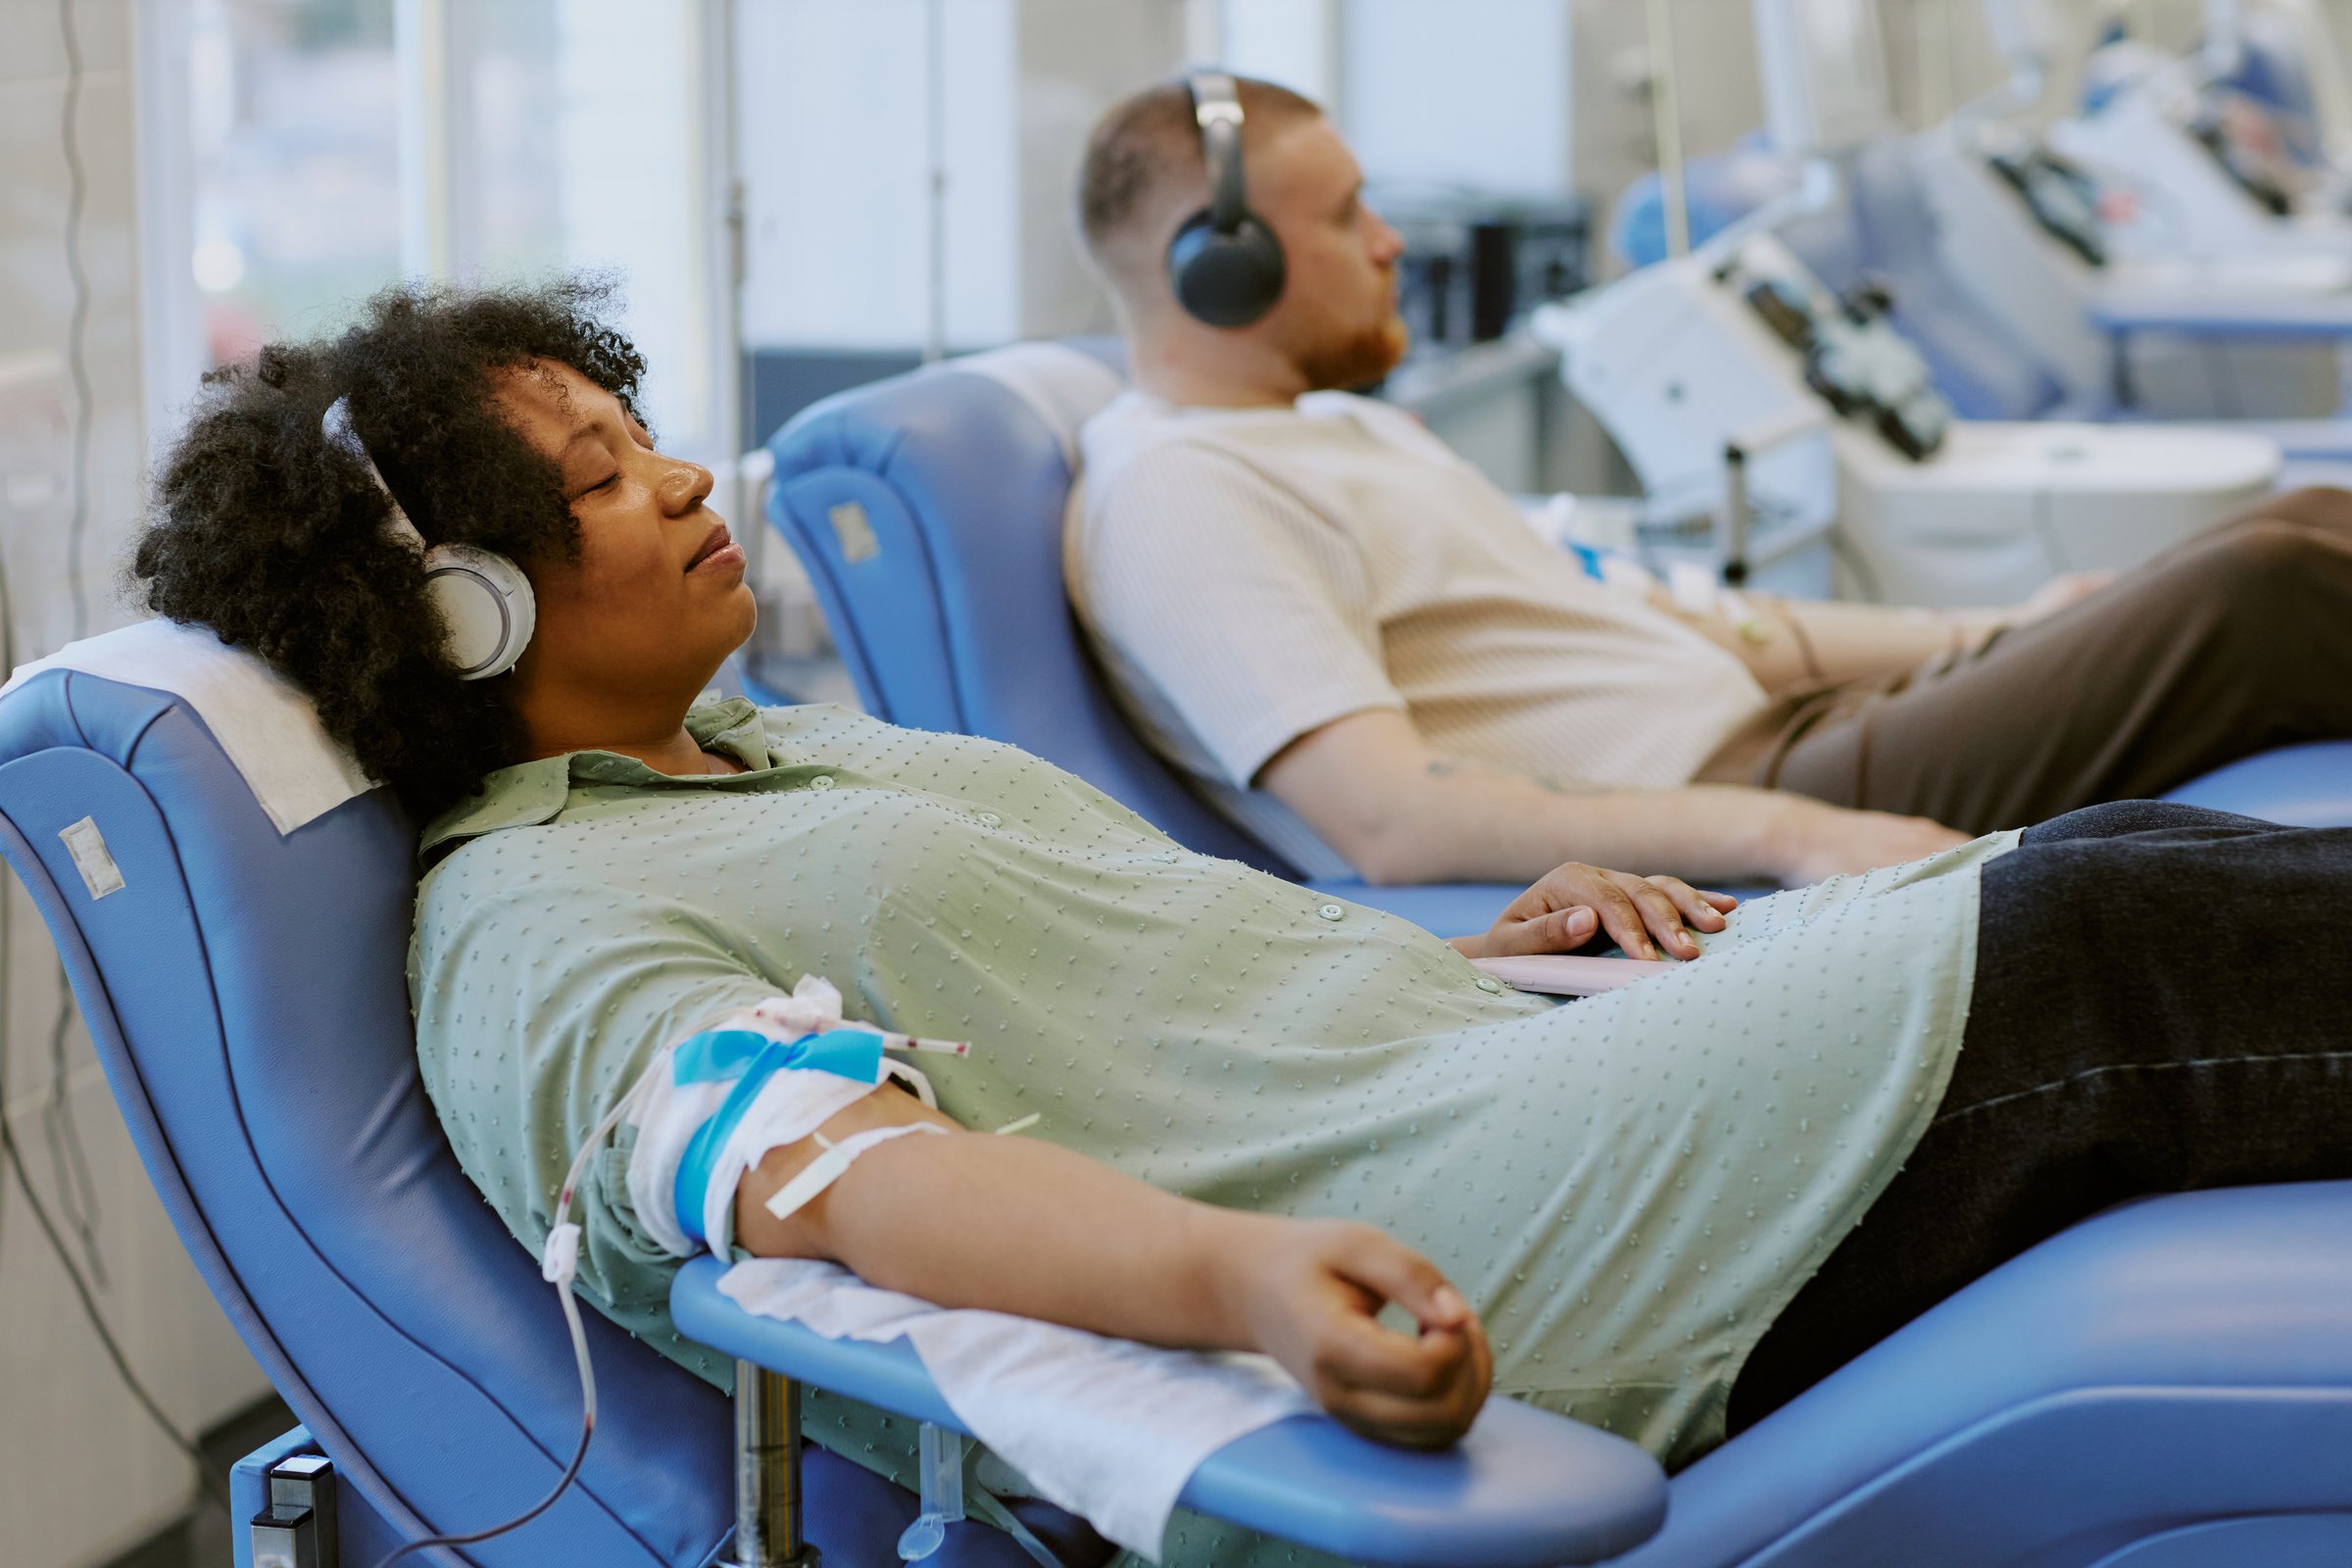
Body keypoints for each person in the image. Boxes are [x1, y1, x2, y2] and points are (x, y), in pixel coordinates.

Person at [136, 282, 2352, 1566]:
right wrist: (1246, 1285)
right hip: (1517, 1234)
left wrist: (1488, 956)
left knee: (2123, 888)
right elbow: (844, 1184)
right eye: (609, 478)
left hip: (1521, 1076)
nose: (695, 480)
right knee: (2108, 942)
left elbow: (1139, 1008)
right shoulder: (535, 922)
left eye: (650, 436)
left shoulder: (791, 755)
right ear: (461, 606)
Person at [1065, 76, 2352, 899]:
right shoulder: (1184, 493)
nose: (1394, 242)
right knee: (2267, 585)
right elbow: (1392, 822)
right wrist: (1790, 834)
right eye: (1350, 219)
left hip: (1805, 724)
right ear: (1217, 272)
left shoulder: (1339, 432)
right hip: (1769, 788)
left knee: (2285, 526)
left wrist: (1997, 632)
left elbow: (1688, 623)